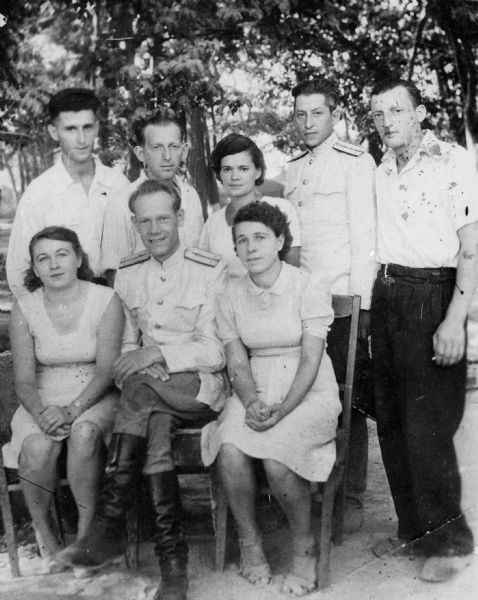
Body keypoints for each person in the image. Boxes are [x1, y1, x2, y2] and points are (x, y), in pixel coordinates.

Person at [57, 179, 226, 600]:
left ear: (180, 218)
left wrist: (157, 359)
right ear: (134, 224)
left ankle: (110, 524)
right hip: (151, 398)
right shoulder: (128, 274)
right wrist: (140, 368)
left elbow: (214, 351)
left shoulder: (211, 268)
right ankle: (174, 567)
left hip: (199, 387)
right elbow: (127, 349)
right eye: (145, 221)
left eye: (163, 219)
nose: (154, 230)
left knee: (142, 395)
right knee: (152, 417)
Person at [202, 202, 341, 596]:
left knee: (278, 457)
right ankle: (251, 544)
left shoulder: (308, 285)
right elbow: (236, 359)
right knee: (229, 448)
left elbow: (312, 358)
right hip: (255, 388)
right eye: (241, 240)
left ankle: (303, 548)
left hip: (307, 388)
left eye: (260, 237)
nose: (251, 248)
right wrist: (249, 402)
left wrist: (284, 409)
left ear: (280, 240)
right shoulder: (228, 293)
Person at [369, 78, 477, 581]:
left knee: (427, 423)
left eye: (396, 110)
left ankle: (449, 541)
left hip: (432, 294)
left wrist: (455, 318)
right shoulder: (382, 168)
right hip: (388, 294)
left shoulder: (451, 161)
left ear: (419, 112)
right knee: (391, 419)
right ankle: (414, 530)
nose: (386, 121)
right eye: (377, 114)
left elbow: (471, 249)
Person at [285, 77, 377, 534]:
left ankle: (351, 495)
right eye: (300, 114)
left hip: (345, 304)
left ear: (334, 114)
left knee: (349, 401)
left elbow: (365, 240)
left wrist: (362, 308)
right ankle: (313, 488)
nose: (307, 123)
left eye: (316, 113)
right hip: (305, 307)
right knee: (309, 396)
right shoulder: (294, 167)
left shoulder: (355, 163)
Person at [8, 226, 123, 572]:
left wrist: (72, 410)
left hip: (93, 393)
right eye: (43, 258)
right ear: (34, 267)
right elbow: (24, 381)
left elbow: (106, 370)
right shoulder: (24, 307)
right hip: (42, 398)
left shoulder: (105, 299)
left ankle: (86, 541)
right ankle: (49, 539)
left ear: (78, 258)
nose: (54, 264)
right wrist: (44, 413)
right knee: (36, 448)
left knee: (85, 433)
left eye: (61, 254)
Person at [6, 88, 129, 297]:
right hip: (62, 308)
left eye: (87, 127)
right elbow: (18, 272)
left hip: (118, 304)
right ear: (54, 132)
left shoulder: (118, 184)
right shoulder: (39, 193)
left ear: (97, 127)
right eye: (71, 129)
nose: (81, 139)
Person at [100, 111, 204, 285]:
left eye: (173, 146)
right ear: (141, 154)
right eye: (157, 147)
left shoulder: (190, 195)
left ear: (184, 150)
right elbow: (114, 272)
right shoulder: (121, 201)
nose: (167, 156)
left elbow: (198, 259)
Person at [200, 133, 301, 278]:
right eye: (227, 169)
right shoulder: (213, 223)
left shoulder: (281, 208)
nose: (235, 177)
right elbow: (205, 275)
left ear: (258, 172)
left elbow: (293, 273)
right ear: (219, 174)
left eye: (243, 169)